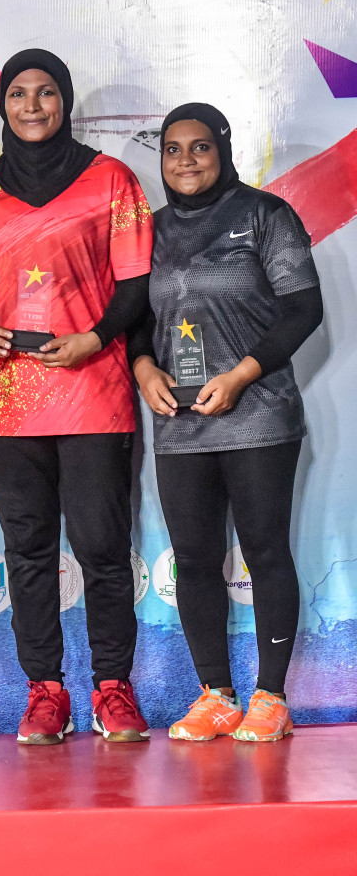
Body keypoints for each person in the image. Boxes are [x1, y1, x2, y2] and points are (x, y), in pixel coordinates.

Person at [0, 49, 154, 744]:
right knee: (28, 550)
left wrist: (97, 336)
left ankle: (112, 688)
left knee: (103, 546)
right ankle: (45, 691)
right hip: (8, 397)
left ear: (65, 100)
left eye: (46, 92)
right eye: (19, 93)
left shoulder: (112, 180)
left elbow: (137, 285)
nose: (33, 105)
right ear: (4, 106)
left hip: (93, 389)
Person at [128, 103, 322, 743]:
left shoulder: (266, 216)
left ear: (223, 150)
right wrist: (144, 369)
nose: (185, 161)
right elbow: (132, 317)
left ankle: (271, 696)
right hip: (180, 422)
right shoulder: (147, 231)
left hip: (259, 416)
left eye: (200, 148)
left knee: (265, 549)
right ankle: (214, 693)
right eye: (173, 149)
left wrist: (241, 375)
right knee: (194, 556)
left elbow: (302, 310)